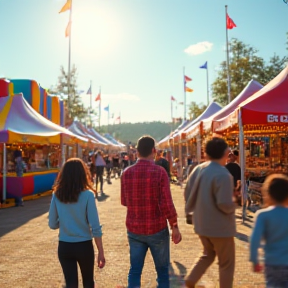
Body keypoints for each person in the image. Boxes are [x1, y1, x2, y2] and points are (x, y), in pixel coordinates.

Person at [121, 135, 182, 288]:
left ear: (136, 151)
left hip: (134, 229)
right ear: (154, 151)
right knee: (162, 271)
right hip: (157, 228)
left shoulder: (126, 173)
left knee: (135, 270)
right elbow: (166, 203)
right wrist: (174, 225)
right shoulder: (160, 172)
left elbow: (124, 201)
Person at [184, 137, 235, 288]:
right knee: (226, 263)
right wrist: (236, 203)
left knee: (208, 254)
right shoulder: (223, 174)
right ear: (226, 152)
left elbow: (187, 192)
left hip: (201, 223)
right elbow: (224, 204)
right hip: (220, 227)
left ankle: (191, 280)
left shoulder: (199, 169)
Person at [48, 158, 105, 288]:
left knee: (71, 284)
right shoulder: (88, 195)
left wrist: (64, 221)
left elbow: (52, 224)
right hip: (84, 245)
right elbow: (95, 226)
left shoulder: (57, 194)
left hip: (65, 245)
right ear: (83, 174)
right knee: (88, 282)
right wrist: (100, 252)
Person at [250, 174, 288, 288]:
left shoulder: (263, 216)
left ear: (268, 194)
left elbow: (254, 240)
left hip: (272, 262)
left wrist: (254, 260)